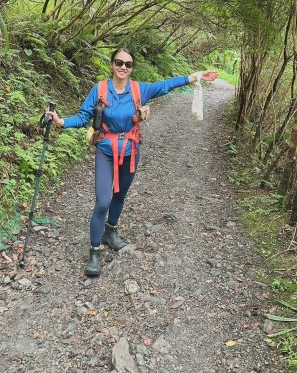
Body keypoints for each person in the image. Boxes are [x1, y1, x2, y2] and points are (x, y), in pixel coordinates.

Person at [47, 48, 218, 277]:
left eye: (128, 64)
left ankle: (111, 231)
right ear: (111, 64)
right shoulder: (99, 89)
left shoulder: (139, 90)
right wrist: (61, 121)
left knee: (120, 195)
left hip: (130, 150)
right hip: (106, 151)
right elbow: (83, 116)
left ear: (131, 68)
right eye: (119, 62)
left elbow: (166, 85)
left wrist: (196, 76)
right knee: (102, 201)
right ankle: (94, 252)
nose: (123, 67)